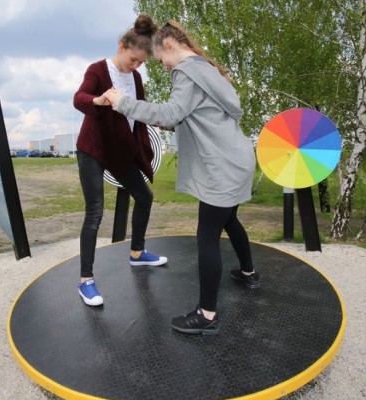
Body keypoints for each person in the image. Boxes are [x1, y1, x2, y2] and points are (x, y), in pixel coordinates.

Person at [104, 20, 259, 334]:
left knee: (207, 236)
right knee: (229, 220)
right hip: (238, 160)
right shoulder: (208, 69)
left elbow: (170, 112)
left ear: (170, 46)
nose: (163, 66)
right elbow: (197, 117)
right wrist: (175, 123)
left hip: (221, 168)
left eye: (161, 60)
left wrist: (122, 103)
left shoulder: (184, 71)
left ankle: (207, 316)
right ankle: (248, 273)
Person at [73, 15, 168, 307]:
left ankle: (137, 253)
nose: (136, 65)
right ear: (122, 45)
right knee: (95, 212)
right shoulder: (98, 70)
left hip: (121, 150)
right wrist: (97, 101)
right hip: (92, 149)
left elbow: (137, 115)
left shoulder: (136, 79)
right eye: (134, 59)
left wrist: (153, 134)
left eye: (141, 62)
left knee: (144, 197)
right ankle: (85, 281)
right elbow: (79, 98)